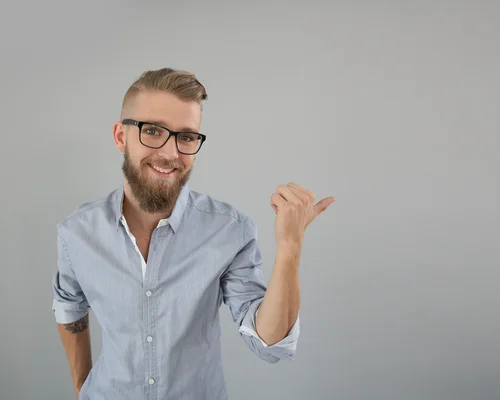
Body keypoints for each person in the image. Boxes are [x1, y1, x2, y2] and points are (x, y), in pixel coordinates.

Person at [51, 68, 335, 399]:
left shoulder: (230, 230)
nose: (171, 153)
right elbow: (69, 305)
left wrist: (290, 246)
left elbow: (268, 343)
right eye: (153, 131)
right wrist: (81, 386)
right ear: (120, 136)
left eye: (185, 137)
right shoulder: (77, 232)